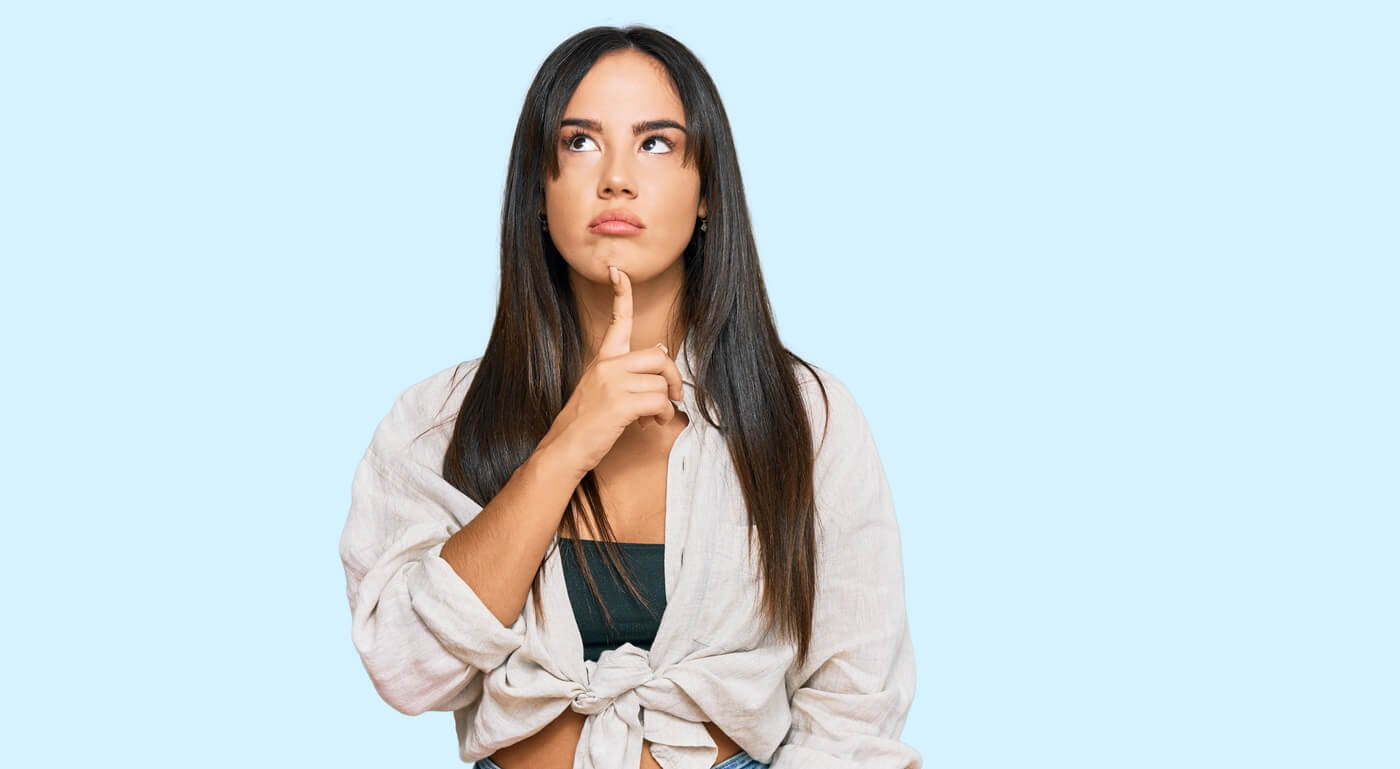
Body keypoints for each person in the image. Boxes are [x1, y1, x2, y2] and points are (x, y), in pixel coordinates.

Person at [338, 24, 921, 769]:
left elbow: (855, 706)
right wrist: (565, 446)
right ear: (538, 195)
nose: (615, 177)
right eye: (579, 142)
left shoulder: (806, 418)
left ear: (706, 192)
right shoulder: (435, 423)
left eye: (655, 144)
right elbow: (406, 665)